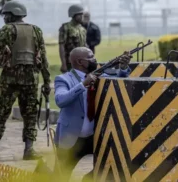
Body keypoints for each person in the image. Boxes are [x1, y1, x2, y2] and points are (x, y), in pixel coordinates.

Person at [0, 1, 51, 160]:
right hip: (31, 80)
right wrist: (46, 81)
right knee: (30, 114)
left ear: (11, 15)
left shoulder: (7, 30)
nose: (4, 18)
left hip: (9, 80)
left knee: (0, 113)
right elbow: (43, 58)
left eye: (5, 14)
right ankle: (29, 150)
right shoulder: (36, 31)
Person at [53, 47, 132, 181]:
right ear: (80, 61)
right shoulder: (63, 79)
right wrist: (83, 84)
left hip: (94, 137)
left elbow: (119, 79)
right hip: (71, 138)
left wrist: (123, 67)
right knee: (60, 176)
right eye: (91, 57)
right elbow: (60, 100)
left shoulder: (98, 76)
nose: (95, 59)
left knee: (107, 166)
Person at [58, 4, 87, 73]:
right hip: (70, 63)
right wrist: (63, 64)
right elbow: (61, 46)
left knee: (82, 82)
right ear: (74, 15)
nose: (82, 17)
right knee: (71, 82)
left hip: (81, 62)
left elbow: (85, 45)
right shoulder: (66, 27)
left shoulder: (82, 29)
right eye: (80, 15)